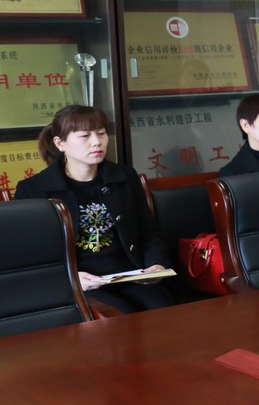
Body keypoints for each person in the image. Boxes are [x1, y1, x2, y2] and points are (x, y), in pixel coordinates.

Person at [15, 105, 174, 313]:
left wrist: (156, 265)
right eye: (84, 136)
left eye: (101, 133)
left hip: (130, 273)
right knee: (117, 314)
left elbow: (147, 231)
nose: (97, 141)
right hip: (81, 281)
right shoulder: (33, 189)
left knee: (163, 309)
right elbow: (30, 255)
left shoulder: (124, 177)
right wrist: (70, 277)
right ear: (60, 143)